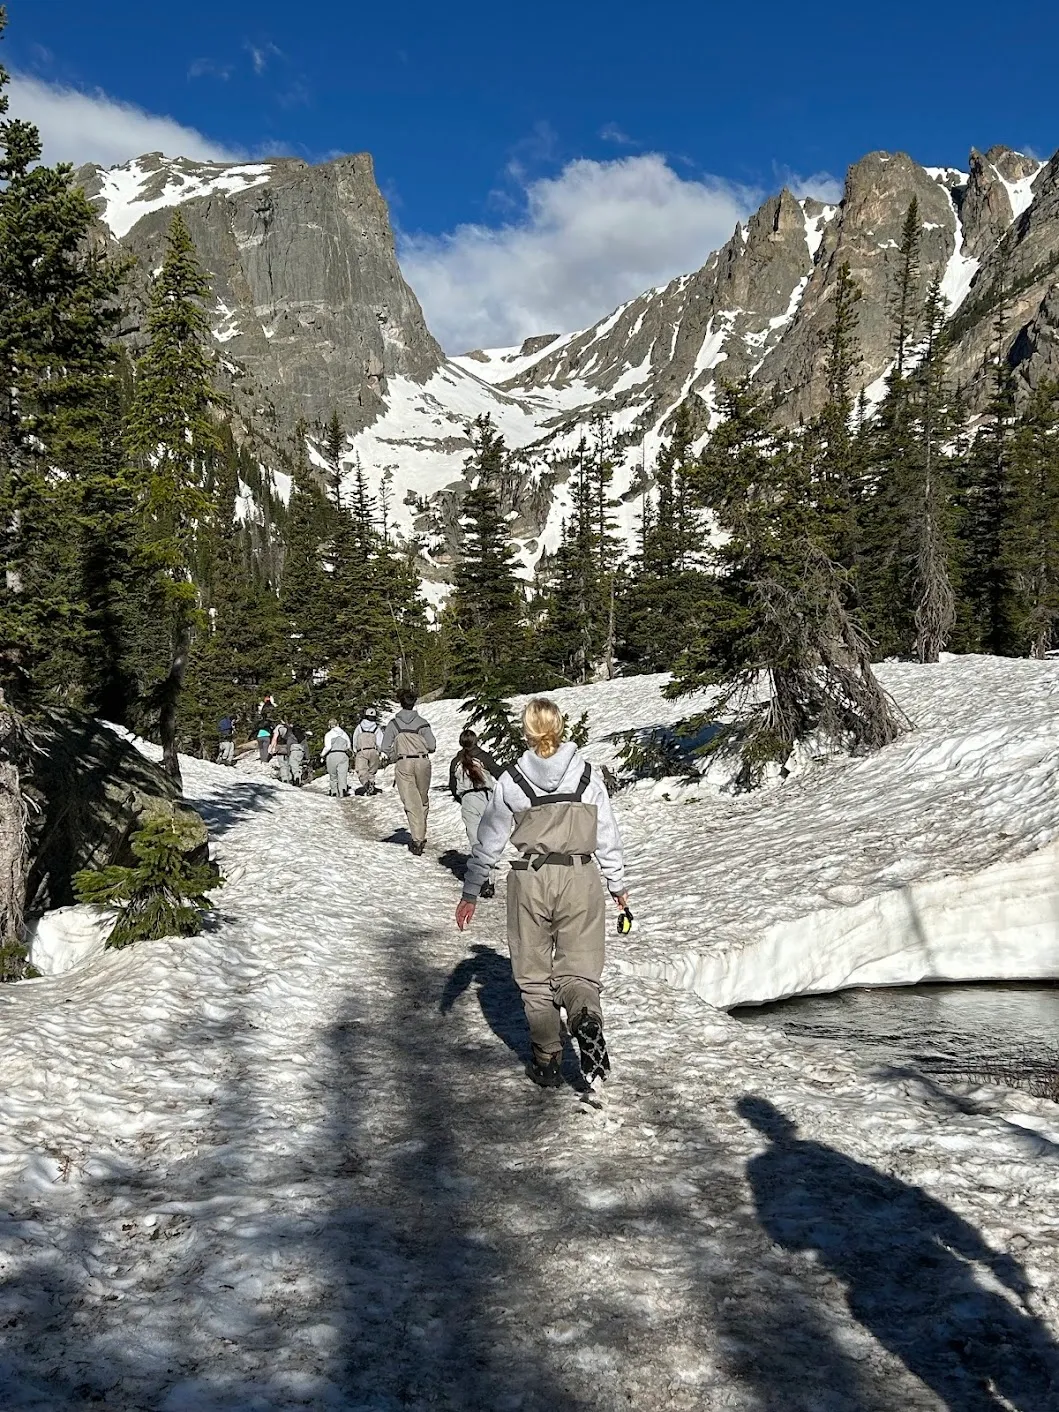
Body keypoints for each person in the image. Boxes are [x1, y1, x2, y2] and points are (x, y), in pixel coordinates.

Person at [456, 697, 627, 1090]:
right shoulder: (586, 775)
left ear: (527, 731)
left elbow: (490, 839)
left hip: (530, 880)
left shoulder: (512, 780)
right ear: (561, 727)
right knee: (580, 968)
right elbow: (607, 835)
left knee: (534, 978)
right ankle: (584, 1014)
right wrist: (617, 884)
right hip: (580, 876)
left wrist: (470, 891)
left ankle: (547, 1059)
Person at [448, 728, 503, 899]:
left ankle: (483, 880)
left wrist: (461, 798)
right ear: (476, 740)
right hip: (488, 798)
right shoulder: (484, 757)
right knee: (488, 839)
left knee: (476, 841)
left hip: (468, 800)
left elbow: (453, 786)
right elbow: (498, 773)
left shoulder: (455, 762)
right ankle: (489, 878)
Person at [381, 689, 436, 855]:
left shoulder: (394, 724)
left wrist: (395, 755)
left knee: (411, 802)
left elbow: (385, 747)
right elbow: (432, 746)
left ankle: (417, 839)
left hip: (403, 763)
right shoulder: (423, 723)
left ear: (400, 702)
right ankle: (420, 832)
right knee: (422, 799)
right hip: (423, 762)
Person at [352, 708, 384, 796]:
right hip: (373, 751)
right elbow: (380, 742)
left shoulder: (359, 727)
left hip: (362, 751)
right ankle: (371, 784)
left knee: (362, 770)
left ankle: (366, 784)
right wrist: (379, 751)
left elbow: (355, 739)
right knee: (372, 771)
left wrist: (354, 750)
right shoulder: (376, 728)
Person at [322, 718, 352, 797]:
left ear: (329, 725)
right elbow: (348, 746)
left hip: (332, 754)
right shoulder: (344, 734)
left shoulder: (329, 734)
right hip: (343, 754)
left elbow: (327, 747)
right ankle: (343, 790)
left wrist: (322, 755)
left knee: (333, 775)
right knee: (342, 774)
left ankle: (334, 791)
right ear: (338, 724)